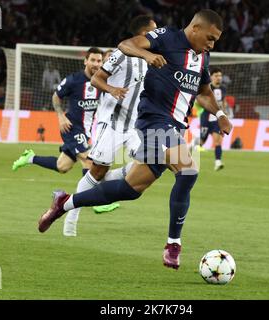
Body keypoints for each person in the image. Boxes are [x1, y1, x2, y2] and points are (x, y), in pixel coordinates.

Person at [38, 10, 232, 270]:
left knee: (130, 190)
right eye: (210, 38)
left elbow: (204, 92)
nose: (211, 44)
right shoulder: (167, 37)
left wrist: (219, 113)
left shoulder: (202, 57)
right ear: (195, 28)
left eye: (215, 41)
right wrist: (148, 55)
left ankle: (65, 202)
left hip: (174, 128)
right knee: (188, 170)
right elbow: (127, 44)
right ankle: (173, 244)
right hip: (153, 121)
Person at [62, 15, 157, 236]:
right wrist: (112, 90)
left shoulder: (151, 57)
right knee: (96, 172)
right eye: (153, 30)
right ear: (143, 33)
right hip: (112, 123)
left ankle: (101, 181)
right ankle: (70, 219)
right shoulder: (121, 54)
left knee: (149, 162)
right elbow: (96, 79)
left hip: (134, 125)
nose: (157, 34)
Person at [11, 47, 103, 174]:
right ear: (85, 61)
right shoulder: (73, 80)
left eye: (99, 61)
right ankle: (84, 194)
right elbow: (56, 96)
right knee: (89, 161)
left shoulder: (102, 82)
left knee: (62, 166)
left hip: (86, 130)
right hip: (71, 127)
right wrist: (61, 116)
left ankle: (30, 158)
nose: (96, 64)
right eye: (93, 60)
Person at [197, 67, 229, 170]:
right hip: (206, 117)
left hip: (217, 119)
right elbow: (199, 100)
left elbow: (223, 101)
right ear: (211, 77)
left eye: (220, 76)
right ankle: (190, 148)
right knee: (202, 141)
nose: (218, 78)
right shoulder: (206, 87)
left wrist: (224, 113)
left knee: (218, 141)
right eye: (216, 76)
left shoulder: (223, 88)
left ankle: (218, 162)